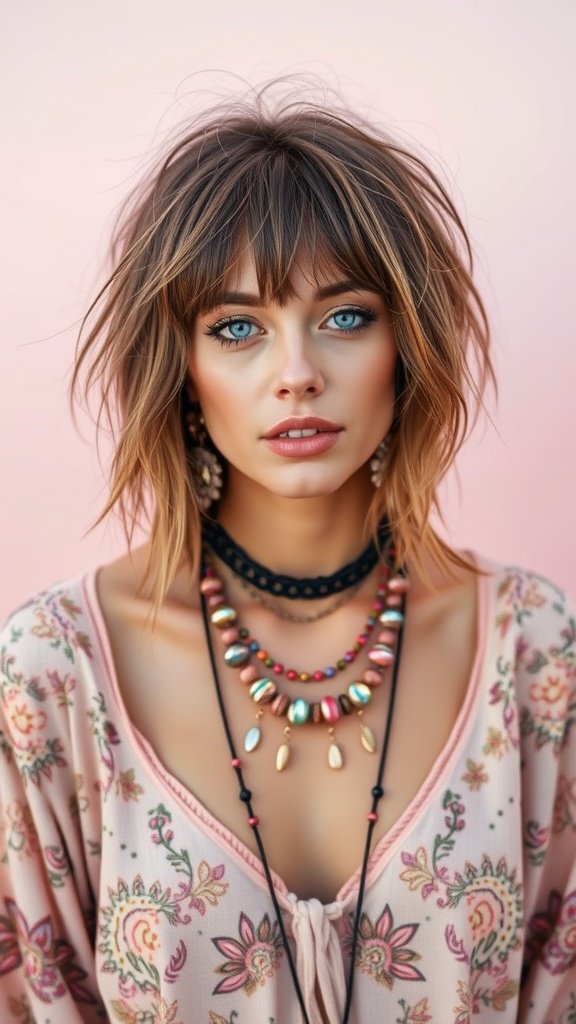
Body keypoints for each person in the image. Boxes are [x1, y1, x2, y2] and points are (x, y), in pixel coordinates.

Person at [0, 81, 574, 1024]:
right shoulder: (55, 670)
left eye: (346, 316)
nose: (297, 371)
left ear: (409, 344)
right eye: (237, 329)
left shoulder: (533, 652)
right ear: (179, 366)